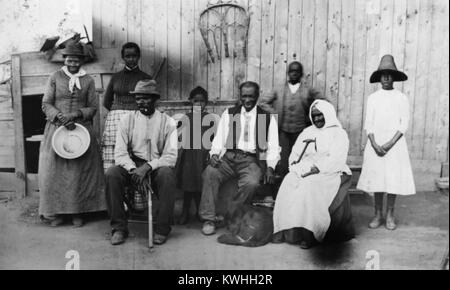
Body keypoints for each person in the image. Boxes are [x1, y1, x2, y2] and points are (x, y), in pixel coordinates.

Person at [38, 43, 106, 227]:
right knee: (55, 172)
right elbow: (46, 103)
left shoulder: (88, 81)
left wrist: (75, 115)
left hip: (80, 130)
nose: (72, 61)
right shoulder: (55, 77)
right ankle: (57, 213)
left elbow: (92, 107)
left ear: (82, 60)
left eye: (76, 58)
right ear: (64, 59)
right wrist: (60, 117)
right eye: (69, 58)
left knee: (79, 173)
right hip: (57, 128)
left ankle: (78, 212)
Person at [200, 81, 280, 236]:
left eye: (251, 96)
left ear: (257, 96)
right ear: (240, 97)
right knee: (210, 172)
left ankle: (232, 216)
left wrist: (271, 167)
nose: (248, 100)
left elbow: (273, 146)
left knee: (252, 182)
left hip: (251, 160)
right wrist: (214, 155)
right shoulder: (229, 113)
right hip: (229, 157)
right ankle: (208, 218)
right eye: (244, 96)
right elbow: (219, 139)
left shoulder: (267, 118)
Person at [105, 79, 178, 246]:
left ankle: (162, 229)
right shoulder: (127, 120)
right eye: (138, 98)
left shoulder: (168, 122)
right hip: (133, 165)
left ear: (154, 99)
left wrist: (148, 167)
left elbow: (171, 156)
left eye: (145, 98)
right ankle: (119, 228)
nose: (141, 102)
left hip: (156, 166)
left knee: (167, 175)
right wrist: (134, 169)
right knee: (112, 174)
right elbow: (120, 153)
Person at [273, 100, 352, 249]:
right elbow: (295, 154)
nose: (317, 119)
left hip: (329, 170)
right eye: (314, 116)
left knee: (310, 185)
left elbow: (337, 158)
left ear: (327, 114)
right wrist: (296, 166)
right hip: (306, 168)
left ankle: (311, 234)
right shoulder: (308, 132)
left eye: (320, 115)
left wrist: (318, 168)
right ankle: (287, 230)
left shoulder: (338, 133)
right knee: (289, 181)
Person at [357, 55, 416, 230]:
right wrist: (374, 144)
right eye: (383, 75)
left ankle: (390, 214)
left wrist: (390, 144)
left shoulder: (401, 98)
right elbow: (369, 124)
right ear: (379, 77)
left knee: (392, 178)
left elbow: (403, 124)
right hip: (376, 145)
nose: (386, 78)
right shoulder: (373, 98)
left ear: (394, 77)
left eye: (390, 75)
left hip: (394, 145)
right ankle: (378, 214)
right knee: (377, 178)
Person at [260, 61, 325, 178]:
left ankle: (298, 184)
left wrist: (312, 115)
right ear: (288, 73)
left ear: (301, 74)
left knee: (300, 157)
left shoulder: (308, 89)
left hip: (300, 130)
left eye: (297, 71)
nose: (294, 73)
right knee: (283, 159)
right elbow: (263, 102)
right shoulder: (279, 89)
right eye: (292, 71)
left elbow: (323, 102)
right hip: (283, 130)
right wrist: (274, 113)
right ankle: (282, 185)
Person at [101, 42, 151, 171]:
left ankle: (137, 185)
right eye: (128, 56)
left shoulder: (145, 78)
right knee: (116, 152)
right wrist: (117, 111)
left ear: (138, 56)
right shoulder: (116, 77)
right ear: (123, 58)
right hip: (115, 120)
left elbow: (151, 102)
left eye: (134, 56)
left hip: (138, 117)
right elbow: (107, 101)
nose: (131, 59)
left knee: (136, 151)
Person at [175, 86, 216, 225]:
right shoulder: (186, 117)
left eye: (202, 101)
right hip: (188, 155)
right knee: (188, 182)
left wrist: (210, 153)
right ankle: (185, 211)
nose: (199, 104)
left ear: (206, 102)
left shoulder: (210, 119)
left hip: (203, 155)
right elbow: (179, 137)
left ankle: (200, 211)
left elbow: (213, 139)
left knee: (201, 182)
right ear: (191, 102)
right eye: (196, 101)